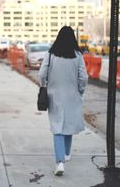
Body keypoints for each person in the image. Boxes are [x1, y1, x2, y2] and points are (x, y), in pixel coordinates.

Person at [38, 26, 88, 176]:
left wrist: (44, 85)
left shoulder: (51, 54)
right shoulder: (78, 55)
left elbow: (41, 73)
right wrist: (80, 90)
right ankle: (66, 153)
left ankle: (60, 162)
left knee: (57, 127)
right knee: (69, 124)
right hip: (72, 96)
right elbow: (83, 77)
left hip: (55, 96)